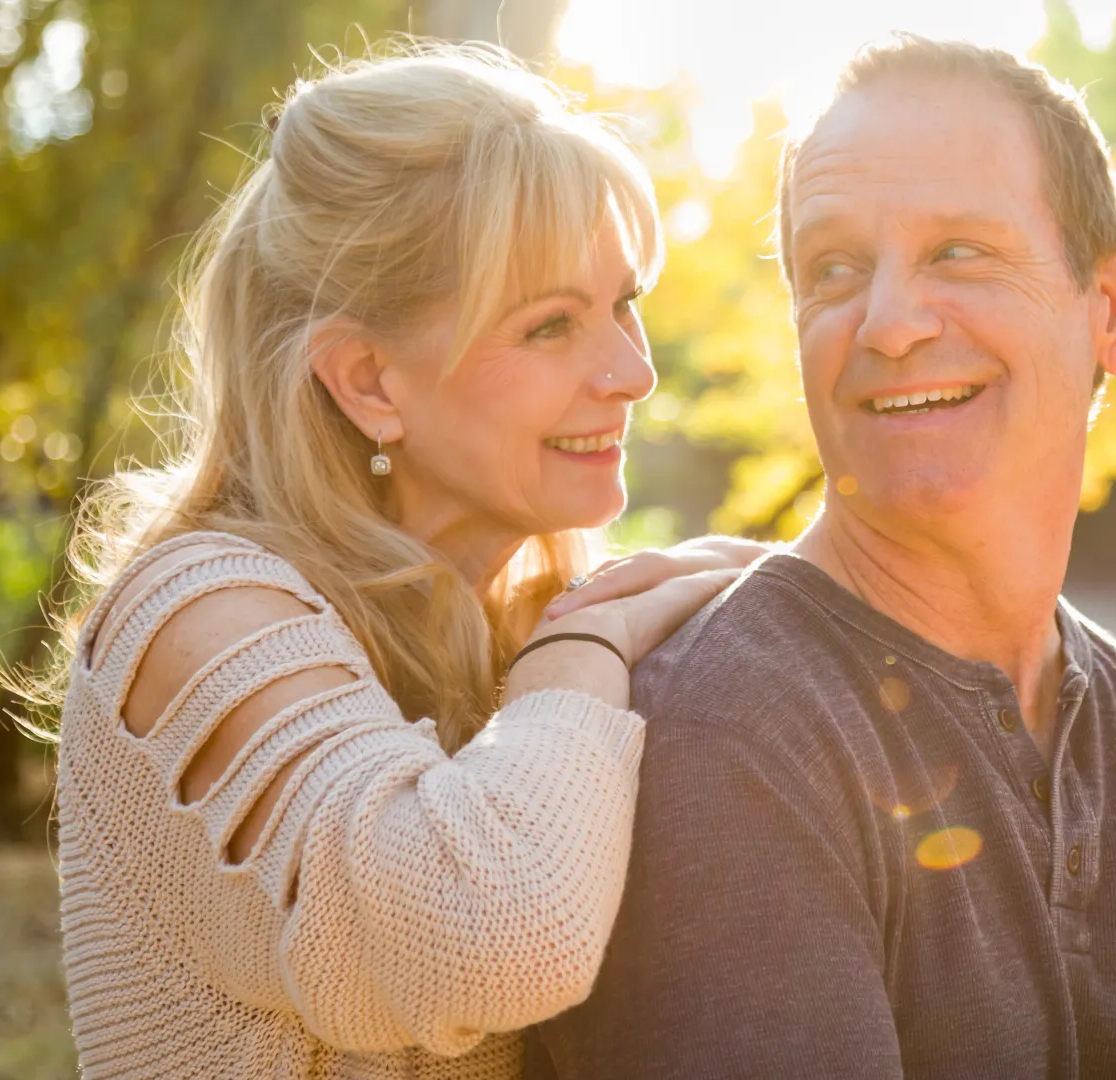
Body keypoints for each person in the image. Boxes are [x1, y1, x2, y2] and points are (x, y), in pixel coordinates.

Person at [535, 36, 1116, 1080]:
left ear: (1113, 312)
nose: (889, 324)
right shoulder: (729, 740)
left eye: (958, 253)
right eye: (835, 269)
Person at [40, 43, 764, 1078]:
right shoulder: (193, 616)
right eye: (552, 325)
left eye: (626, 303)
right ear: (371, 381)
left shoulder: (517, 618)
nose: (635, 372)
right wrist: (582, 649)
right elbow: (493, 940)